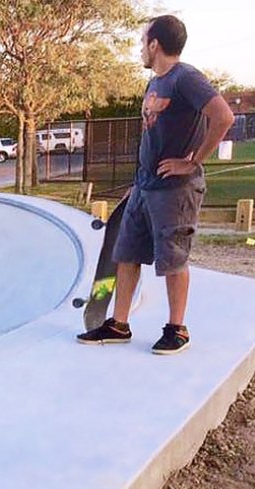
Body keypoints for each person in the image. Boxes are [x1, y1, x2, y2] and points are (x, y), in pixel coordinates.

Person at [77, 14, 235, 355]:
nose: (140, 49)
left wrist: (191, 162)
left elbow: (224, 116)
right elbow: (153, 138)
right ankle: (118, 324)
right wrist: (138, 181)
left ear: (155, 44)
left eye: (142, 42)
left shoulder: (185, 78)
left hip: (174, 190)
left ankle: (177, 329)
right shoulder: (155, 83)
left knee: (173, 258)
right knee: (127, 252)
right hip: (145, 186)